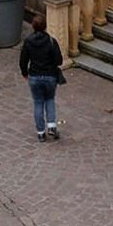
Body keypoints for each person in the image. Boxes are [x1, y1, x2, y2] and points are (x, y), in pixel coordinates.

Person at [19, 10, 64, 141]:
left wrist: (24, 73)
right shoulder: (51, 41)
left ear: (33, 26)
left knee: (38, 102)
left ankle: (40, 133)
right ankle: (51, 125)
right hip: (50, 76)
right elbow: (59, 60)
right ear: (45, 26)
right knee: (50, 99)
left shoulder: (28, 42)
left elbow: (23, 60)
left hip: (34, 76)